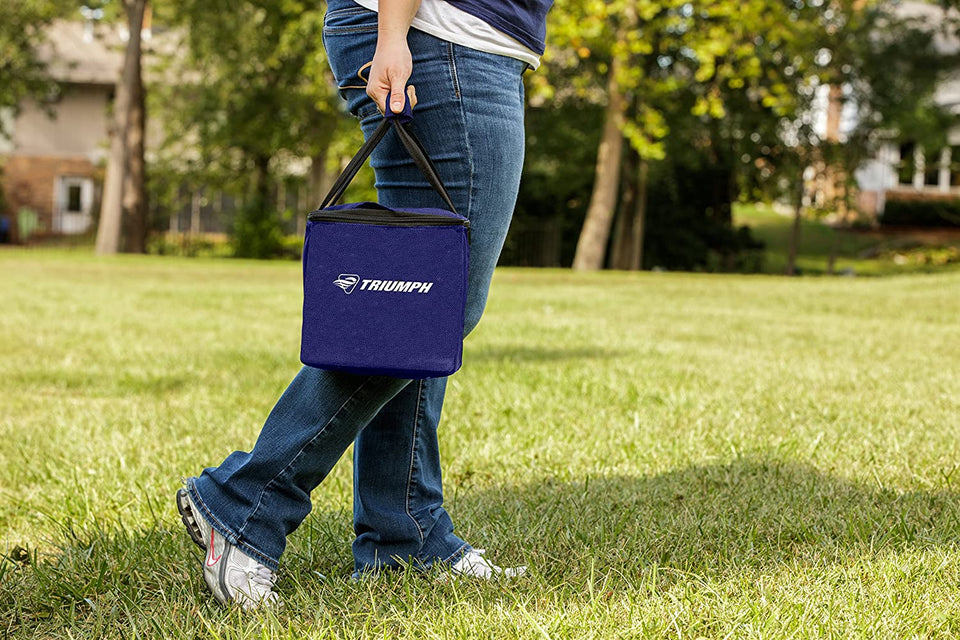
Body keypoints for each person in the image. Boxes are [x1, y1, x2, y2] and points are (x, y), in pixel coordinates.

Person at [176, 0, 553, 609]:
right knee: (432, 312)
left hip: (440, 41)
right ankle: (245, 502)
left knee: (422, 293)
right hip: (441, 41)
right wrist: (393, 34)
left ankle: (404, 537)